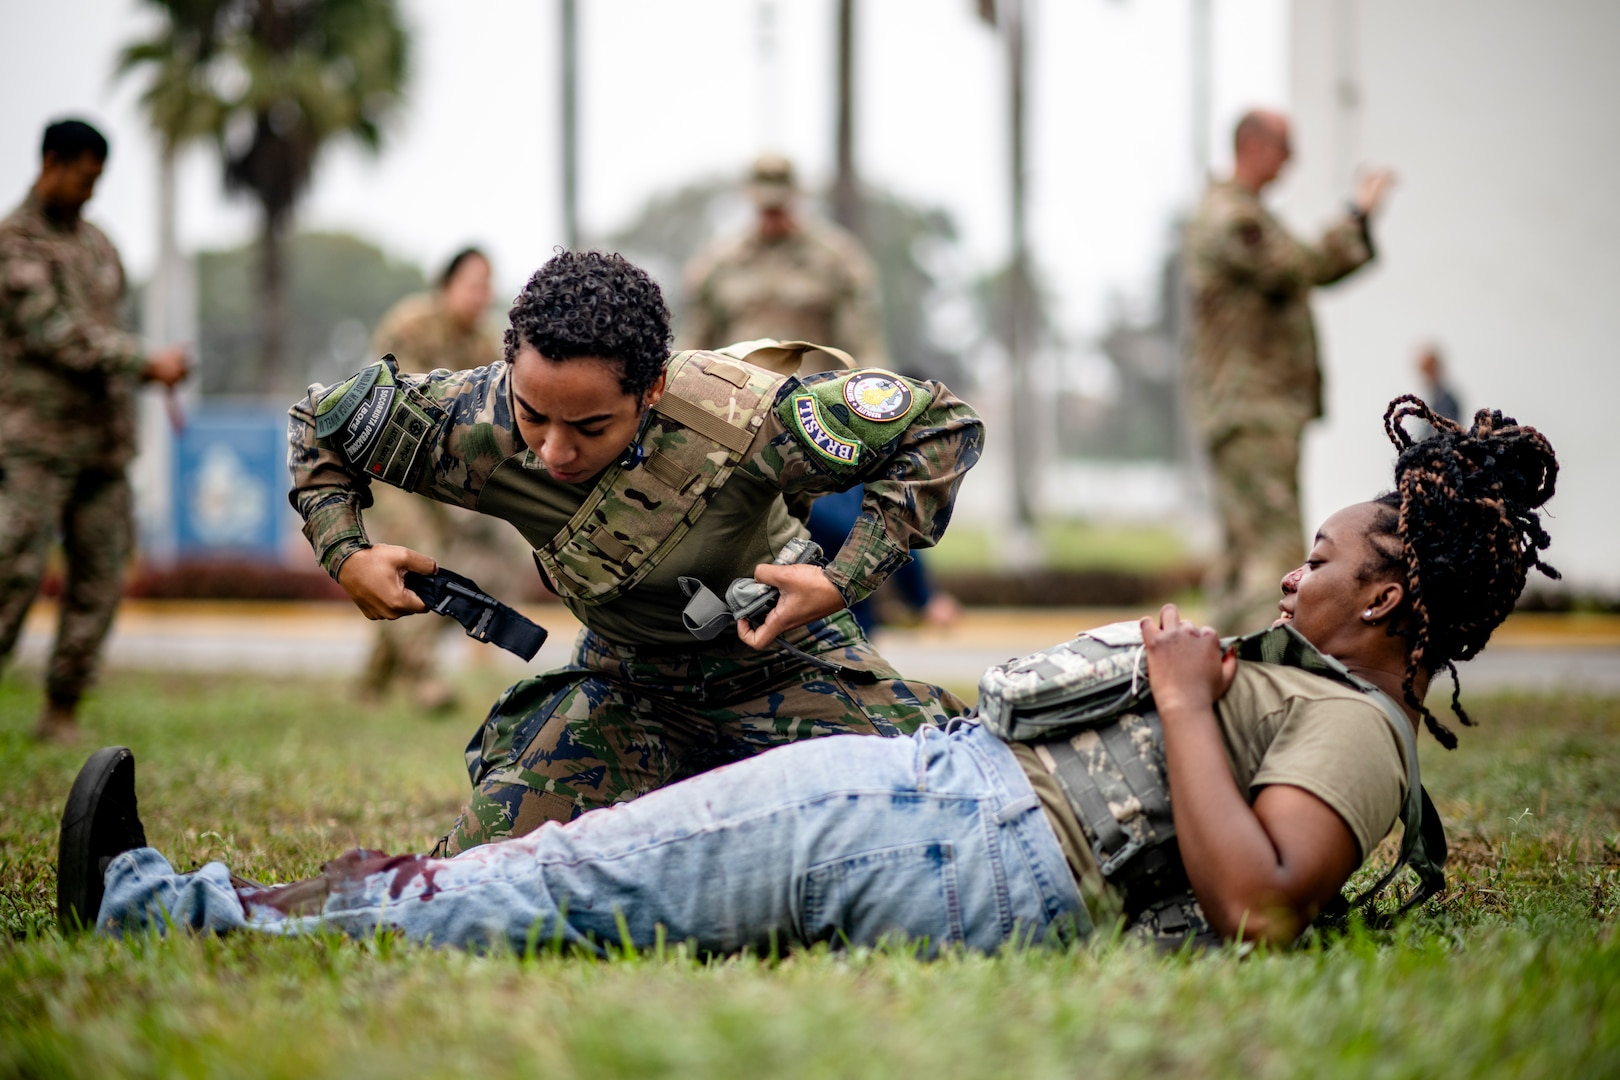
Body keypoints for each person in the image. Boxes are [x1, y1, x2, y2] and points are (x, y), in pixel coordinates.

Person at [66, 397, 1560, 952]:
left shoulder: (1364, 738)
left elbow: (1261, 904)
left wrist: (1179, 699)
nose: (1297, 570)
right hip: (948, 800)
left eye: (1324, 555)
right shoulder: (1324, 688)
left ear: (1386, 592)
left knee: (572, 887)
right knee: (581, 860)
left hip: (973, 837)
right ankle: (224, 902)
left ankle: (161, 910)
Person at [289, 250, 980, 854]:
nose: (555, 450)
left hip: (784, 662)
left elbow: (940, 424)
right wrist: (347, 552)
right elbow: (320, 422)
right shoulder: (470, 419)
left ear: (652, 391)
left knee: (952, 805)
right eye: (533, 415)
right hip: (627, 684)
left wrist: (840, 581)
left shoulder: (741, 415)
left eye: (590, 426)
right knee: (483, 869)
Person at [0, 118, 189, 743]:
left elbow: (109, 329)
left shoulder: (99, 244)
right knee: (14, 569)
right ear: (51, 162)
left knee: (100, 578)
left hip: (103, 447)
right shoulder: (15, 243)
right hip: (36, 443)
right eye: (83, 177)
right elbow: (54, 333)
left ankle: (61, 711)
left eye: (98, 180)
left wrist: (147, 366)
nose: (90, 192)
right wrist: (144, 360)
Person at [1185, 108, 1395, 636]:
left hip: (1245, 408)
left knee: (1242, 554)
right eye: (1285, 146)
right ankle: (1262, 679)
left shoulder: (1238, 213)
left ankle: (1221, 671)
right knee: (1272, 553)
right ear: (1255, 146)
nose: (1292, 160)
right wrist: (1358, 212)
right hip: (1252, 408)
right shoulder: (1234, 218)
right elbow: (1306, 266)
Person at [357, 247, 532, 712]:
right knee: (416, 554)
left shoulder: (481, 343)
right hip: (391, 465)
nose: (482, 295)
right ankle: (425, 679)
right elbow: (392, 399)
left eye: (487, 285)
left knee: (450, 566)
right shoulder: (410, 325)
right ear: (447, 285)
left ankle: (375, 678)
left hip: (443, 471)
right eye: (474, 284)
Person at [678, 153, 887, 376]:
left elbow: (862, 342)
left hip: (811, 397)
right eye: (766, 209)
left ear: (796, 199)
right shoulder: (719, 262)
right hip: (736, 399)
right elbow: (695, 341)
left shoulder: (836, 259)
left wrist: (879, 388)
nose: (773, 216)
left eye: (779, 208)